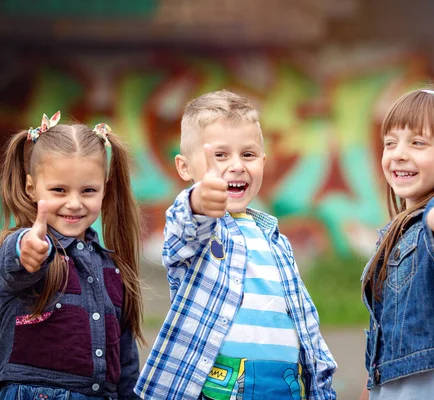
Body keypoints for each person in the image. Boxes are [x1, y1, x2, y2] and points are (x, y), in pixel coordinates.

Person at [135, 90, 337, 400]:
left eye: (248, 154)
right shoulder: (201, 229)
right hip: (220, 386)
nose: (236, 166)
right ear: (185, 167)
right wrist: (198, 202)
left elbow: (305, 324)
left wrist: (321, 388)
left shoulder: (276, 240)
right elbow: (185, 228)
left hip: (285, 386)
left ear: (263, 162)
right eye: (220, 155)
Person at [0, 112, 144, 399]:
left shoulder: (111, 267)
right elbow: (16, 263)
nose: (74, 203)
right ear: (31, 188)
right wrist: (29, 250)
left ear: (105, 191)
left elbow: (125, 361)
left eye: (88, 190)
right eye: (59, 190)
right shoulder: (29, 247)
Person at [359, 85, 434, 399]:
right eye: (390, 143)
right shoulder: (396, 231)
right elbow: (386, 341)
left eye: (417, 142)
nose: (399, 153)